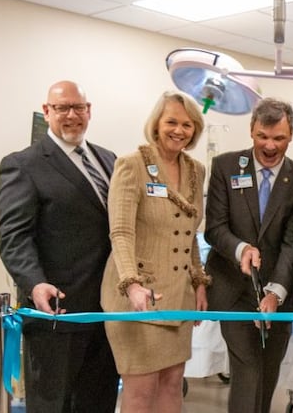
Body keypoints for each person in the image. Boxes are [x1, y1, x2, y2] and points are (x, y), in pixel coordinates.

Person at [0, 80, 119, 412]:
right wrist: (35, 283)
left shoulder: (108, 159)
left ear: (89, 111)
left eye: (78, 107)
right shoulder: (23, 164)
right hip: (56, 311)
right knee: (53, 402)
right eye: (62, 108)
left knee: (99, 398)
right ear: (47, 111)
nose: (71, 115)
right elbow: (13, 237)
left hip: (107, 308)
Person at [100, 91, 209, 412]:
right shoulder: (132, 165)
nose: (179, 130)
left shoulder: (196, 170)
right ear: (156, 125)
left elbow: (190, 235)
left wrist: (200, 281)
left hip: (179, 297)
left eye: (187, 124)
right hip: (138, 299)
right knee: (141, 390)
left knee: (173, 385)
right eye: (171, 122)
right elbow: (120, 231)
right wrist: (131, 284)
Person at [204, 98, 293, 413]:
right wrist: (242, 249)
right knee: (248, 369)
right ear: (251, 130)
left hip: (278, 292)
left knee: (268, 371)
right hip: (233, 289)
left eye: (279, 138)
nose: (270, 145)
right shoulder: (225, 166)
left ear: (291, 136)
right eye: (263, 136)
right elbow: (215, 228)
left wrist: (276, 291)